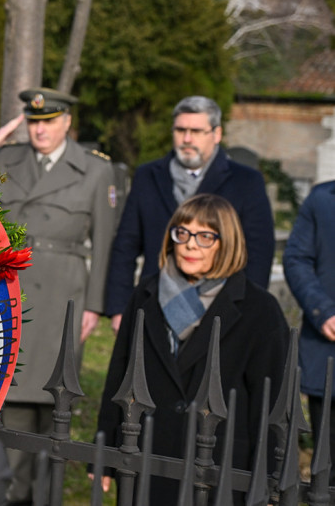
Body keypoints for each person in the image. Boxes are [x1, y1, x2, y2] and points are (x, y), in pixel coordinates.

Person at [97, 194, 288, 504]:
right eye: (182, 233)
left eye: (205, 236)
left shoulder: (260, 309)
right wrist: (104, 452)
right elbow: (119, 375)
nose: (190, 244)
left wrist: (268, 479)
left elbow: (270, 404)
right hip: (148, 454)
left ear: (226, 242)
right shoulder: (146, 293)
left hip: (220, 465)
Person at [0, 87, 119, 505]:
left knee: (54, 401)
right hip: (11, 292)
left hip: (63, 294)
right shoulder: (6, 161)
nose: (40, 130)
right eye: (34, 121)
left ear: (66, 123)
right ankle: (9, 490)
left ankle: (44, 493)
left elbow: (106, 241)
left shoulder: (96, 171)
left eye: (48, 122)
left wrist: (95, 304)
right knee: (9, 394)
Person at [103, 96, 274, 328]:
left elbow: (258, 251)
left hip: (219, 310)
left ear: (216, 134)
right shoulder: (149, 176)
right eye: (180, 130)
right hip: (155, 305)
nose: (186, 139)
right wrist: (119, 308)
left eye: (196, 131)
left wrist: (247, 310)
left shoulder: (246, 181)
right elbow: (127, 243)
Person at [284, 180, 335, 452]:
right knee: (327, 473)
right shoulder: (322, 199)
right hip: (330, 350)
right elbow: (297, 259)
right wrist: (324, 312)